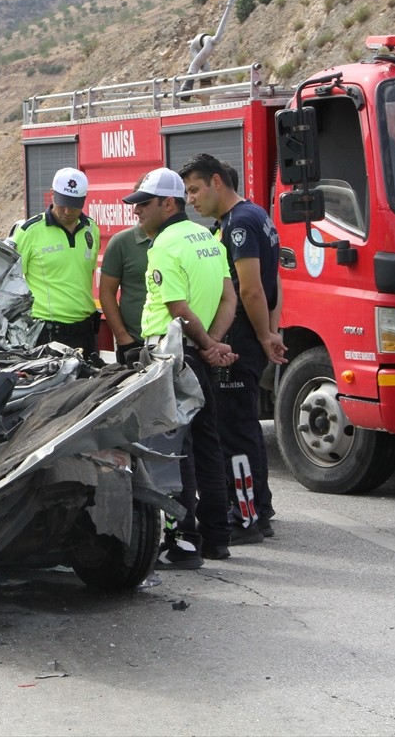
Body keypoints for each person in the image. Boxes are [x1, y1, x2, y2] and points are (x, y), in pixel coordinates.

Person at [124, 169, 237, 568]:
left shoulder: (165, 246)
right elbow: (229, 297)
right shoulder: (207, 238)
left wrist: (206, 344)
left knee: (173, 451)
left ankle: (184, 542)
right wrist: (214, 343)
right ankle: (217, 538)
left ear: (167, 204)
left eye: (144, 203)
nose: (136, 210)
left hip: (170, 357)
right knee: (208, 446)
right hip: (197, 356)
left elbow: (177, 308)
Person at [181, 153, 287, 544]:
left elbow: (252, 287)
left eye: (195, 190)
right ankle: (259, 506)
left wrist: (262, 336)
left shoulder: (239, 224)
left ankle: (245, 517)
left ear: (216, 182)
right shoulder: (256, 215)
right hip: (250, 337)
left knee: (233, 432)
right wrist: (273, 331)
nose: (191, 199)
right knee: (245, 428)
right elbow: (278, 282)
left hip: (239, 340)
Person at [10, 167, 101, 356]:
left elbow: (85, 276)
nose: (67, 211)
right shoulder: (29, 232)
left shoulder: (91, 229)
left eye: (74, 205)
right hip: (48, 334)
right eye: (63, 204)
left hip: (85, 331)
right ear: (52, 196)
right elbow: (10, 282)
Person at [98, 222, 151, 366]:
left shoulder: (178, 240)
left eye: (146, 203)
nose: (137, 210)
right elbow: (106, 293)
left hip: (176, 341)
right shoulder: (121, 242)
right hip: (135, 341)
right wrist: (123, 338)